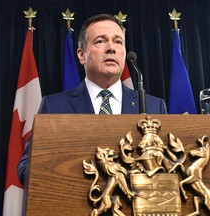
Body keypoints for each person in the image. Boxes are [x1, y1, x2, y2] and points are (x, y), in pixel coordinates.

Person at [17, 13, 167, 185]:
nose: (111, 48)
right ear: (82, 55)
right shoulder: (55, 106)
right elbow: (25, 169)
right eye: (101, 41)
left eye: (118, 42)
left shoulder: (153, 106)